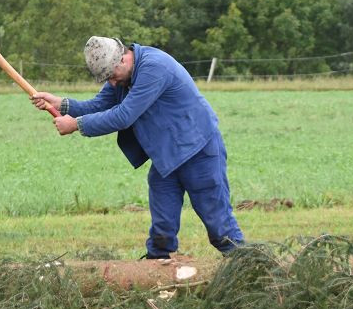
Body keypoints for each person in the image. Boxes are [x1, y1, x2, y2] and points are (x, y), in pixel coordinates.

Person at [32, 36, 244, 259]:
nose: (111, 83)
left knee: (219, 226)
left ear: (123, 58)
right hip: (166, 157)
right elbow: (98, 105)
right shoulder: (121, 76)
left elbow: (124, 115)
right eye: (107, 79)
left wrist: (76, 125)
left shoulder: (154, 68)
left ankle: (249, 270)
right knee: (162, 231)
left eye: (112, 76)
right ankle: (157, 271)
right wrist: (61, 103)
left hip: (199, 151)